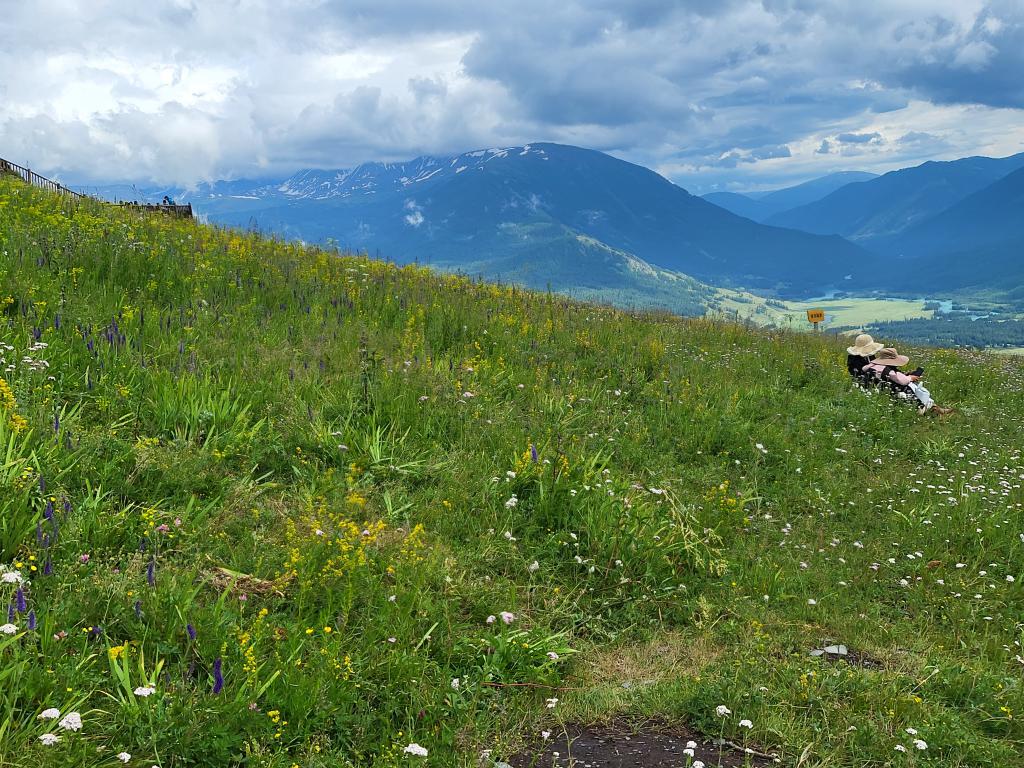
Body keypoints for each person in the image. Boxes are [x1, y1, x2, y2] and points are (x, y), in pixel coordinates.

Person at [863, 347, 952, 415]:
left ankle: (933, 407)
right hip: (891, 391)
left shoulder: (871, 367)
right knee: (912, 387)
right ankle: (927, 408)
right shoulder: (887, 370)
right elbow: (901, 380)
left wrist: (906, 374)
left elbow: (892, 377)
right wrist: (910, 378)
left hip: (878, 391)